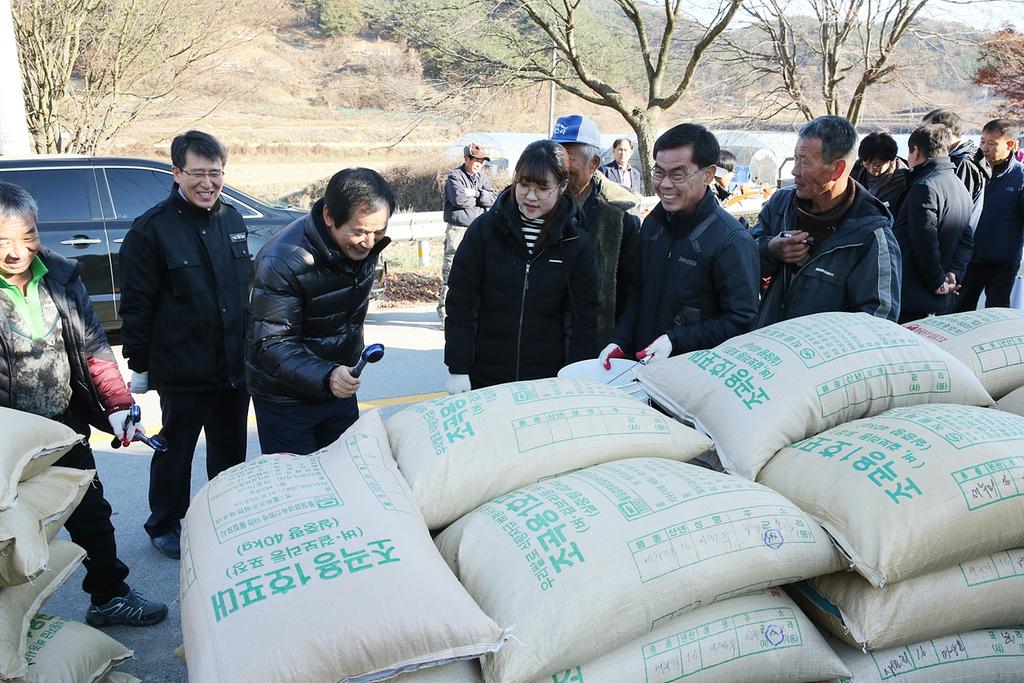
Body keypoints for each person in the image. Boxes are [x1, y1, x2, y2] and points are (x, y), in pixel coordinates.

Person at [0, 182, 167, 627]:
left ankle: (109, 596)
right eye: (3, 241)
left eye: (28, 236)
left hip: (62, 426)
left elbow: (93, 348)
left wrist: (117, 405)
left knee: (91, 514)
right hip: (6, 443)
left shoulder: (60, 276)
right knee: (10, 534)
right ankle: (13, 625)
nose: (18, 252)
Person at [118, 130, 250, 560]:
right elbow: (136, 305)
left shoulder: (232, 219)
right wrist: (140, 364)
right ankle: (164, 523)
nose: (207, 183)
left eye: (215, 173)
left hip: (233, 365)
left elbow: (241, 293)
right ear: (176, 173)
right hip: (183, 366)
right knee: (175, 451)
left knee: (230, 451)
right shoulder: (151, 230)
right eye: (197, 173)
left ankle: (225, 515)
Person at [246, 169, 393, 455]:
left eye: (379, 232)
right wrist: (327, 375)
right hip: (285, 398)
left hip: (337, 384)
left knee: (347, 468)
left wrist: (336, 375)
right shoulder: (283, 261)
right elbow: (272, 343)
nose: (369, 243)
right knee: (301, 478)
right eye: (360, 232)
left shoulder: (362, 246)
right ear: (329, 216)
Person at [444, 140, 598, 391]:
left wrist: (576, 375)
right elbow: (461, 302)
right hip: (484, 378)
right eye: (524, 184)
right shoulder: (484, 231)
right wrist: (458, 368)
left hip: (547, 382)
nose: (530, 196)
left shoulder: (574, 242)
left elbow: (582, 318)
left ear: (561, 186)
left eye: (542, 188)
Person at [600, 124, 759, 366]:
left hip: (692, 374)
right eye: (659, 172)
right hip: (641, 366)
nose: (665, 184)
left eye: (677, 175)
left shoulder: (732, 241)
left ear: (708, 174)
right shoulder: (653, 224)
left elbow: (741, 322)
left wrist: (677, 340)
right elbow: (637, 294)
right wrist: (620, 340)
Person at [751, 115, 902, 327]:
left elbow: (879, 321)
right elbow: (740, 260)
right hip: (769, 340)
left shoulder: (872, 236)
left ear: (837, 169)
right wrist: (770, 249)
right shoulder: (780, 204)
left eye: (804, 162)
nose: (794, 171)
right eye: (795, 159)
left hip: (822, 347)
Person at [551, 115, 640, 346]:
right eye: (555, 156)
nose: (560, 166)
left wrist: (620, 341)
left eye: (569, 157)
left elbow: (631, 290)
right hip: (545, 338)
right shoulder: (536, 203)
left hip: (595, 339)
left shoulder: (621, 214)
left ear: (594, 164)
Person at [892, 124, 973, 323]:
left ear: (916, 151)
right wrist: (954, 273)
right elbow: (966, 240)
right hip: (940, 295)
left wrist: (937, 281)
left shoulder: (924, 186)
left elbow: (924, 240)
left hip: (913, 294)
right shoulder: (960, 187)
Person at [955, 119, 1024, 311]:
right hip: (969, 258)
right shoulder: (970, 168)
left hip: (1003, 261)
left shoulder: (1020, 177)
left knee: (998, 311)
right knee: (959, 311)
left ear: (1010, 144)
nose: (985, 148)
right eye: (982, 141)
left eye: (992, 143)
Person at [438, 143, 497, 327]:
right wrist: (479, 198)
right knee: (451, 271)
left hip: (478, 229)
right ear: (466, 159)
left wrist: (475, 193)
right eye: (476, 160)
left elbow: (492, 199)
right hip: (457, 230)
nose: (479, 164)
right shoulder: (455, 176)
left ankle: (472, 312)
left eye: (482, 161)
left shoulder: (482, 178)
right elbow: (459, 199)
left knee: (478, 272)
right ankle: (445, 313)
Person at [921, 109, 988, 206]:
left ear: (947, 133)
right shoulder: (952, 157)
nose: (921, 136)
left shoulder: (963, 162)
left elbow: (959, 207)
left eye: (928, 131)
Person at [849, 131, 911, 212]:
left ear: (891, 161)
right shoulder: (853, 171)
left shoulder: (904, 181)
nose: (871, 169)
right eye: (867, 164)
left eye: (877, 165)